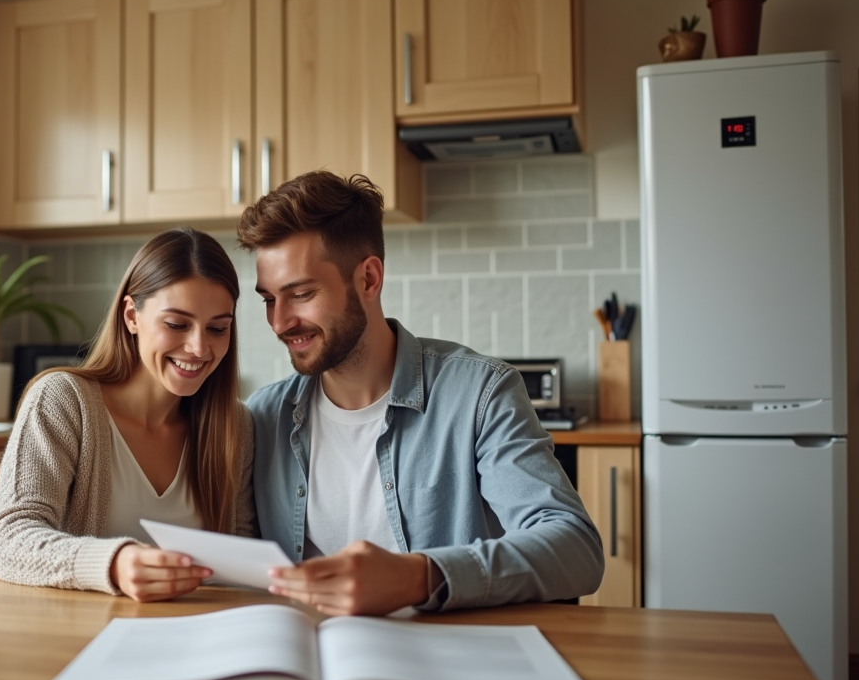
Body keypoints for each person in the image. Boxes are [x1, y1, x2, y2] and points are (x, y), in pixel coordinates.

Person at [236, 171, 604, 616]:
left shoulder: (478, 395)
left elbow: (575, 548)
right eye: (268, 300)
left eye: (301, 294)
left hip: (446, 662)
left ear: (369, 279)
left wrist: (419, 576)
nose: (279, 322)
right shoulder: (263, 416)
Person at [0, 228, 255, 602]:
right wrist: (113, 563)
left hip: (197, 639)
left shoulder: (234, 426)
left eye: (218, 328)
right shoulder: (64, 401)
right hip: (84, 639)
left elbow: (240, 558)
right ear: (131, 316)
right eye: (176, 324)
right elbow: (7, 539)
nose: (198, 348)